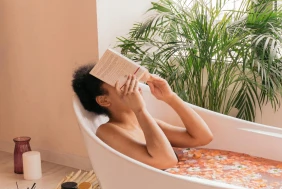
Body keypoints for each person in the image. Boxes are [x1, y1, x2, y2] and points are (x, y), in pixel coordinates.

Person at [72, 65, 213, 170]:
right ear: (104, 100)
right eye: (121, 83)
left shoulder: (144, 124)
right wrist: (139, 110)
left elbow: (202, 137)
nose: (132, 83)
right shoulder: (107, 131)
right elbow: (166, 160)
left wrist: (170, 97)